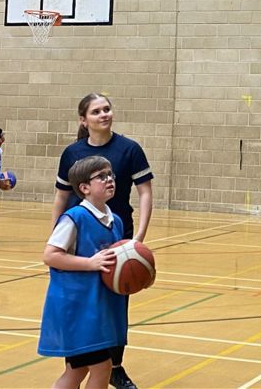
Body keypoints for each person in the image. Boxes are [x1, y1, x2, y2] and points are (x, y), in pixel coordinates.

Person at [53, 92, 153, 389]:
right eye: (96, 111)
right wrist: (55, 236)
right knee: (83, 300)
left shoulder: (129, 149)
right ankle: (79, 361)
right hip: (82, 238)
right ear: (84, 120)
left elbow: (145, 192)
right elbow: (60, 196)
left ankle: (114, 366)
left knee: (114, 303)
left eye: (107, 109)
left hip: (116, 235)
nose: (104, 114)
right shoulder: (72, 152)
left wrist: (138, 239)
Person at [39, 155, 127, 389]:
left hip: (98, 307)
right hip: (77, 307)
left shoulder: (115, 221)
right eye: (101, 176)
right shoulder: (74, 218)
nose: (109, 180)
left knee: (76, 371)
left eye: (111, 175)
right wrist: (90, 263)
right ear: (84, 188)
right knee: (103, 367)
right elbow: (50, 255)